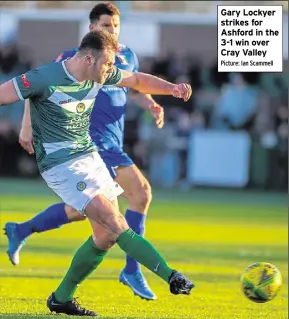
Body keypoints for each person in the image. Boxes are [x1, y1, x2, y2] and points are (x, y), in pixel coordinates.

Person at [0, 30, 193, 316]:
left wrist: (172, 88)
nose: (112, 70)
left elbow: (137, 80)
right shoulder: (44, 77)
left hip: (89, 157)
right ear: (89, 59)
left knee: (105, 236)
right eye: (107, 64)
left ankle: (62, 298)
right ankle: (170, 275)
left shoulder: (100, 72)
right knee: (115, 222)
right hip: (59, 163)